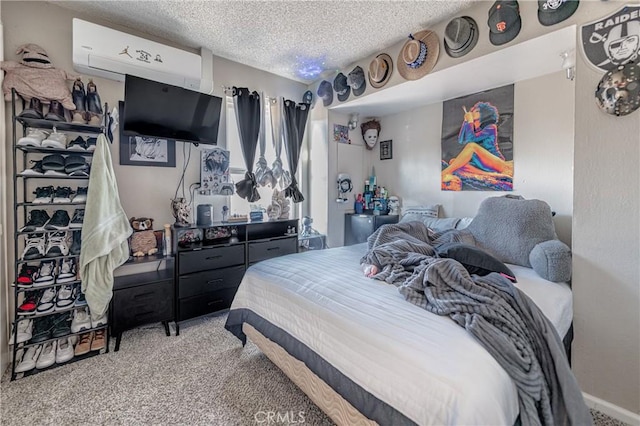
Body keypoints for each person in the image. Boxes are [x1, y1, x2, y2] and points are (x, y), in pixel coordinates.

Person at [441, 101, 511, 186]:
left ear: (484, 114)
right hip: (480, 164)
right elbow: (461, 140)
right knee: (454, 162)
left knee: (471, 146)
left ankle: (444, 173)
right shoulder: (473, 129)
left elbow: (471, 141)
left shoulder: (491, 127)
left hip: (495, 161)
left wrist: (470, 122)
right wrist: (465, 122)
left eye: (477, 111)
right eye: (473, 111)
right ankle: (492, 175)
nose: (473, 112)